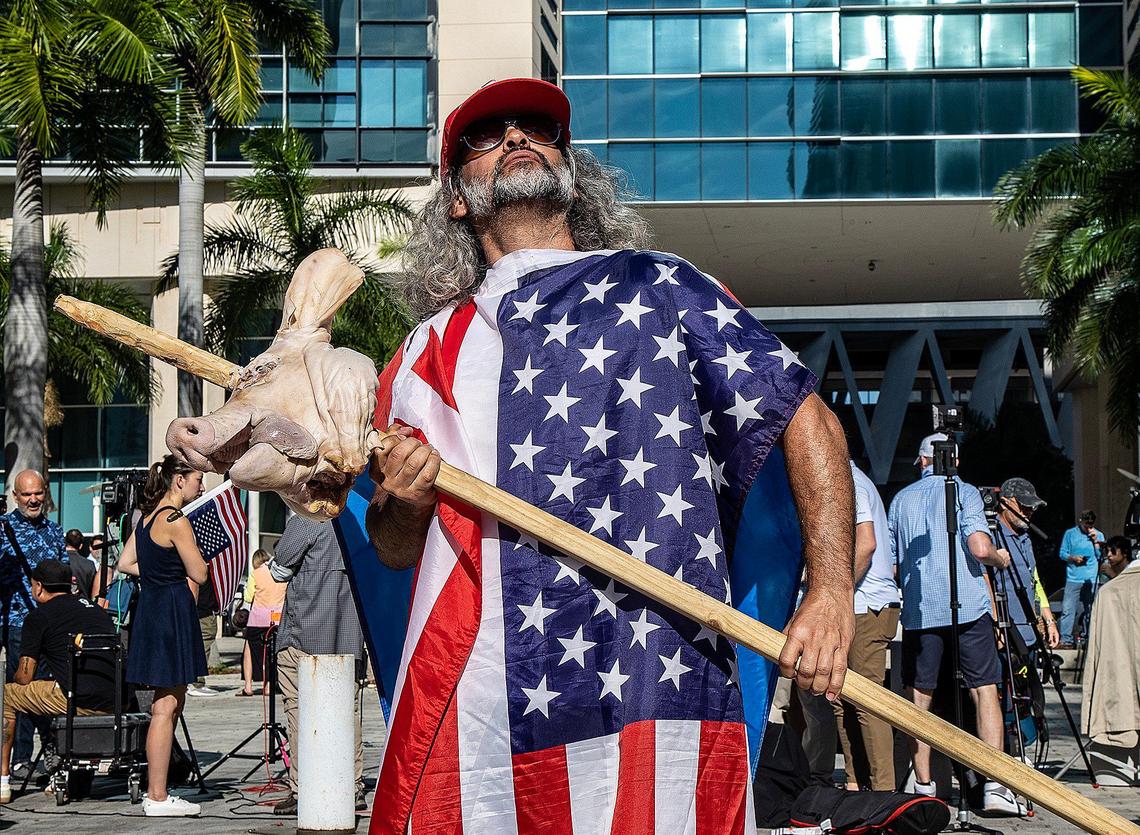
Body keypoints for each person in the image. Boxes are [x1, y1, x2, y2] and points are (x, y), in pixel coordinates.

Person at [366, 78, 855, 830]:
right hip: (494, 702)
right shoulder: (425, 355)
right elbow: (395, 549)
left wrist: (829, 591)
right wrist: (406, 498)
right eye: (487, 136)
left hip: (661, 674)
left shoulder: (662, 285)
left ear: (570, 170)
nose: (518, 137)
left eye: (538, 128)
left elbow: (806, 417)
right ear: (456, 199)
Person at [888, 434, 1019, 815]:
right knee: (984, 690)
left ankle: (924, 785)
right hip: (969, 609)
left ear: (921, 460)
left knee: (920, 699)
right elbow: (979, 547)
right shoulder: (967, 494)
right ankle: (994, 782)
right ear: (955, 461)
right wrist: (1000, 559)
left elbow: (896, 567)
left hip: (921, 610)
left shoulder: (901, 500)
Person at [117, 455, 208, 817]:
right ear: (179, 480)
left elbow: (125, 563)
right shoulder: (174, 519)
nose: (202, 486)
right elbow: (199, 573)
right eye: (198, 479)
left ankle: (159, 789)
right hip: (170, 610)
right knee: (166, 705)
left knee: (168, 701)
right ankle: (156, 794)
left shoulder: (147, 519)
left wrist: (153, 574)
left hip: (153, 608)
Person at [270, 515, 367, 816]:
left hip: (304, 633)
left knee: (299, 714)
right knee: (346, 714)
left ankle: (303, 788)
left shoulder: (309, 519)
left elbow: (279, 569)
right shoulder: (360, 521)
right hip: (348, 634)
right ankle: (353, 787)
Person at [0, 560, 116, 803]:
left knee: (6, 696)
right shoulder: (94, 608)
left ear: (39, 587)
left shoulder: (38, 616)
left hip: (78, 699)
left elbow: (25, 676)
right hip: (116, 698)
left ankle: (2, 781)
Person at [833, 461, 900, 792]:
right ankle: (857, 786)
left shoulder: (851, 481)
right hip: (856, 606)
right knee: (840, 698)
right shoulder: (845, 479)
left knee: (866, 702)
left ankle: (883, 794)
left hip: (866, 606)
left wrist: (837, 590)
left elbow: (867, 543)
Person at [0, 470, 66, 779]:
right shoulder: (3, 530)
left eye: (38, 493)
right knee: (22, 689)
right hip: (17, 623)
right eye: (26, 494)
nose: (33, 499)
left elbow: (65, 576)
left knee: (49, 687)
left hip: (50, 625)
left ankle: (53, 747)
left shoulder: (54, 531)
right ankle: (21, 759)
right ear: (15, 496)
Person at [993, 478, 1060, 651]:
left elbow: (1034, 579)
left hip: (1030, 633)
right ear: (1005, 503)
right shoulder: (991, 536)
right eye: (1023, 506)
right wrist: (996, 626)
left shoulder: (1025, 537)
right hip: (1006, 634)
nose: (1028, 512)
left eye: (1032, 507)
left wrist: (1049, 621)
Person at [237, 549, 285, 697]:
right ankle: (269, 686)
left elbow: (248, 597)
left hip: (258, 619)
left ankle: (248, 686)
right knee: (273, 652)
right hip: (277, 618)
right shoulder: (281, 573)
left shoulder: (256, 573)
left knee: (249, 651)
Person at [1058, 510, 1104, 648]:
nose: (1088, 527)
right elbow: (1062, 553)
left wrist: (1096, 542)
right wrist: (1073, 558)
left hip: (1091, 579)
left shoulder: (1098, 535)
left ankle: (1087, 638)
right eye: (1086, 524)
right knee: (1068, 609)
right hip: (1073, 578)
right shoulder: (1070, 534)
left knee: (1090, 610)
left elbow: (1101, 556)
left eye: (1091, 524)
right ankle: (1066, 639)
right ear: (1081, 521)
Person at [64, 528, 96, 600]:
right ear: (81, 545)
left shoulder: (57, 561)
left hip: (60, 604)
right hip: (83, 604)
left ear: (65, 542)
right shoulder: (89, 564)